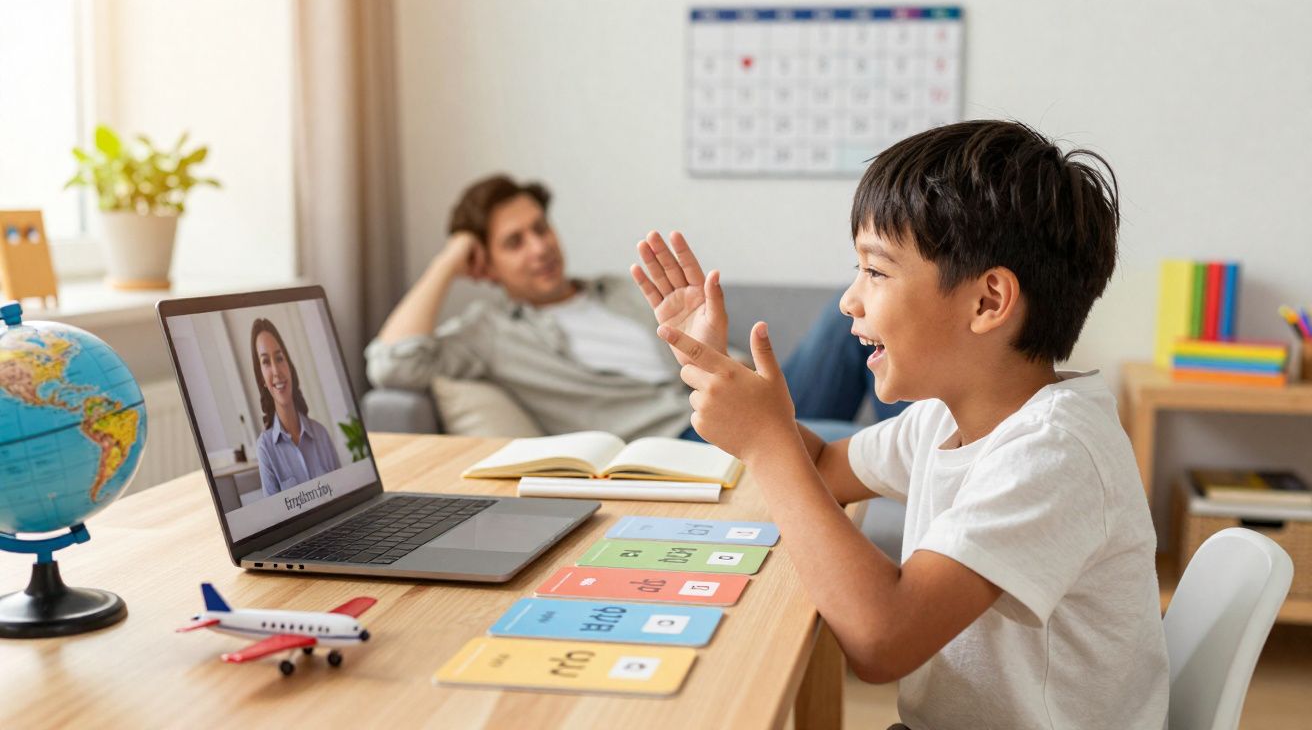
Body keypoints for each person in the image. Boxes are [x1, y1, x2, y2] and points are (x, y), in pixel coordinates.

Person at [635, 121, 1168, 728]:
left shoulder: (1054, 451)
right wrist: (717, 370)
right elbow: (825, 468)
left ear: (988, 302)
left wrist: (766, 440)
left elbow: (881, 640)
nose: (849, 300)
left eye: (877, 272)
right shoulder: (945, 416)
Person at [366, 174, 901, 440]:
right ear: (485, 267)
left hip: (742, 391)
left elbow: (717, 359)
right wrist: (450, 258)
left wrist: (730, 365)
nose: (539, 246)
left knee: (852, 313)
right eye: (514, 242)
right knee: (873, 447)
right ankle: (936, 467)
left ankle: (945, 446)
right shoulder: (488, 333)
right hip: (683, 439)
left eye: (540, 228)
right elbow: (391, 364)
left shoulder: (623, 289)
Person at [251, 318, 341, 496]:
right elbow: (275, 512)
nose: (276, 371)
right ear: (262, 379)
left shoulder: (321, 434)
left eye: (279, 358)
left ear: (289, 367)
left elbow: (343, 492)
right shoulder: (265, 449)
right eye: (266, 362)